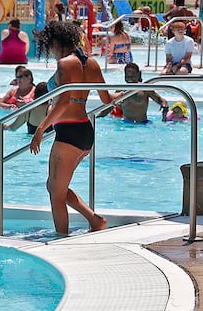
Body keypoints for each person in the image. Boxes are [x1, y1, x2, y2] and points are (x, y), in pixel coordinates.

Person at [29, 20, 113, 236]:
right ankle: (94, 220)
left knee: (56, 195)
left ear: (56, 42)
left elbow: (64, 101)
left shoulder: (66, 64)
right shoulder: (91, 63)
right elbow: (106, 99)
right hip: (85, 133)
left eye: (50, 46)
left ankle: (62, 240)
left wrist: (40, 129)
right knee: (55, 186)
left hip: (68, 134)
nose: (51, 51)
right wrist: (118, 96)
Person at [98, 63, 168, 123]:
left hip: (142, 124)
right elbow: (109, 107)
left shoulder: (145, 89)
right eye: (128, 75)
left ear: (138, 74)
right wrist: (97, 118)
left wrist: (164, 106)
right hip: (126, 124)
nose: (130, 78)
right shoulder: (120, 90)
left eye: (133, 75)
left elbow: (160, 100)